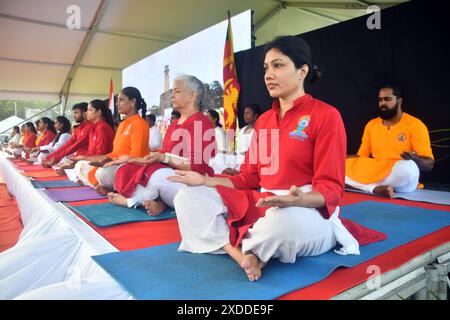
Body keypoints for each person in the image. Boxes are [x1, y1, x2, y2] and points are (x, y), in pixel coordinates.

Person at [168, 36, 386, 282]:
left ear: (302, 71)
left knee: (282, 225)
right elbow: (249, 178)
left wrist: (299, 200)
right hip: (263, 204)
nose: (269, 74)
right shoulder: (265, 122)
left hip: (306, 211)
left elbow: (332, 190)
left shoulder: (326, 116)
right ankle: (240, 253)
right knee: (187, 196)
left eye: (278, 65)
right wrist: (205, 181)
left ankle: (251, 249)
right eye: (266, 68)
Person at [107, 75, 216, 216]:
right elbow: (165, 152)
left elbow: (197, 166)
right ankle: (161, 202)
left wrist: (163, 158)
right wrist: (137, 159)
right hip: (170, 175)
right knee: (125, 169)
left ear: (192, 96)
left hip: (192, 181)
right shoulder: (175, 124)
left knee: (157, 178)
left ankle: (130, 201)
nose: (172, 95)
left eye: (177, 91)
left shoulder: (201, 122)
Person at [345, 84, 434, 198]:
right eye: (380, 100)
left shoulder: (415, 125)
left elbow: (429, 164)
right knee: (340, 165)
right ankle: (375, 189)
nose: (383, 103)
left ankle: (368, 187)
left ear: (399, 101)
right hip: (377, 171)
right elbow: (361, 157)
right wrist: (340, 158)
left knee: (409, 167)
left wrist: (414, 158)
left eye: (387, 99)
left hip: (399, 174)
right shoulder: (372, 125)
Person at [75, 87, 149, 192]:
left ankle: (109, 187)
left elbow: (136, 157)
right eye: (117, 100)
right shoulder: (123, 124)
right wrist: (93, 159)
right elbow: (115, 153)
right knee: (81, 165)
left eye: (121, 100)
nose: (117, 103)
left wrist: (112, 161)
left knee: (102, 173)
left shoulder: (139, 124)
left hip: (130, 167)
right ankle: (105, 186)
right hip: (116, 164)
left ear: (132, 102)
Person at [210, 104, 261, 175]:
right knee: (218, 157)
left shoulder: (258, 130)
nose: (245, 116)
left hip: (248, 160)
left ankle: (233, 172)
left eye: (248, 113)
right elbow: (238, 150)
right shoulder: (242, 130)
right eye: (244, 113)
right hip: (238, 158)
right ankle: (230, 171)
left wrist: (248, 153)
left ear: (255, 116)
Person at [71, 99, 115, 177]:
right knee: (79, 164)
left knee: (80, 165)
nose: (86, 113)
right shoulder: (94, 127)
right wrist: (82, 157)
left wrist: (84, 158)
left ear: (99, 112)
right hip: (94, 160)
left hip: (103, 163)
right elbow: (91, 152)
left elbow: (102, 154)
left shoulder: (102, 127)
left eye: (90, 110)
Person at [42, 103, 93, 168]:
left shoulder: (90, 127)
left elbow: (75, 146)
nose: (74, 115)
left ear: (84, 113)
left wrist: (56, 158)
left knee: (64, 163)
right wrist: (49, 157)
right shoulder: (80, 127)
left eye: (76, 113)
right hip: (78, 157)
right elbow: (68, 145)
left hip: (85, 159)